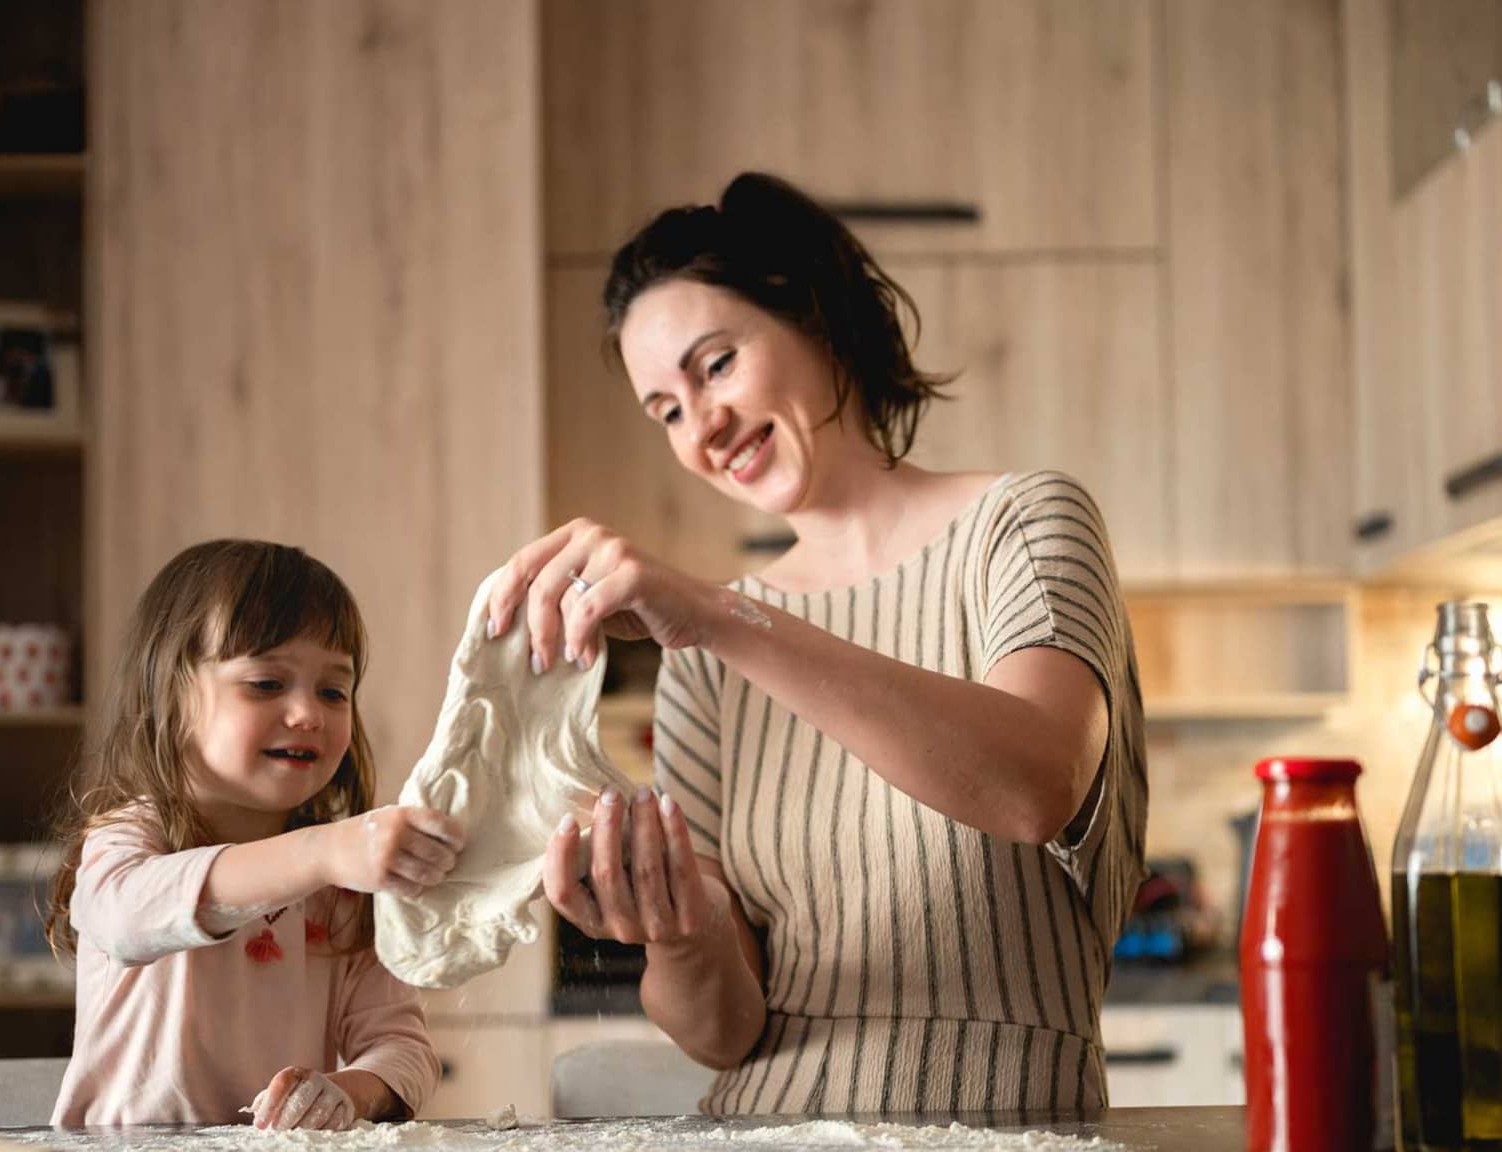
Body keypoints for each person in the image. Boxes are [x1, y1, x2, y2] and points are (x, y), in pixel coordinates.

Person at [487, 172, 1150, 1116]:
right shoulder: (704, 654)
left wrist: (720, 615)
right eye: (667, 410)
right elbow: (723, 1031)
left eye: (715, 365)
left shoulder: (1023, 522)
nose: (702, 427)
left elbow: (1034, 782)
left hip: (1005, 1128)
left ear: (820, 319)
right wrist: (673, 929)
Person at [46, 539, 463, 1129]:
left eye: (333, 690)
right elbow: (124, 916)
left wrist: (349, 1090)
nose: (308, 714)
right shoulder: (132, 836)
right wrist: (321, 851)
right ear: (170, 693)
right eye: (267, 684)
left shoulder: (341, 887)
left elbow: (405, 1049)